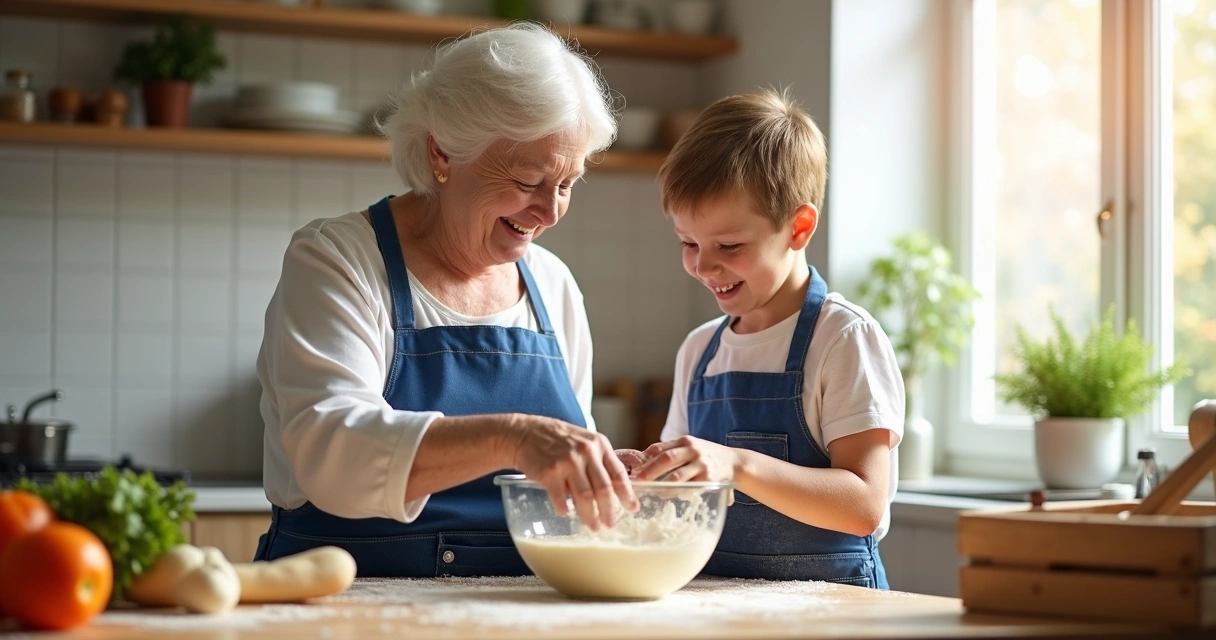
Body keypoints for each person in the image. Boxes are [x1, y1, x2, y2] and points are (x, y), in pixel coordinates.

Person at [253, 24, 638, 577]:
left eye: (567, 183)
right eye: (529, 179)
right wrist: (515, 436)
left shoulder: (552, 285)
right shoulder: (337, 260)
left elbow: (551, 487)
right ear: (442, 152)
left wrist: (595, 475)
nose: (551, 212)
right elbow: (332, 455)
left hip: (524, 615)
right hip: (348, 605)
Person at [629, 89, 904, 588]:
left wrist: (737, 464)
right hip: (718, 609)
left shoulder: (843, 339)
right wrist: (645, 477)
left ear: (798, 228)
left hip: (836, 614)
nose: (703, 265)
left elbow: (865, 504)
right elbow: (680, 504)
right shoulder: (699, 352)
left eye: (729, 245)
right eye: (688, 242)